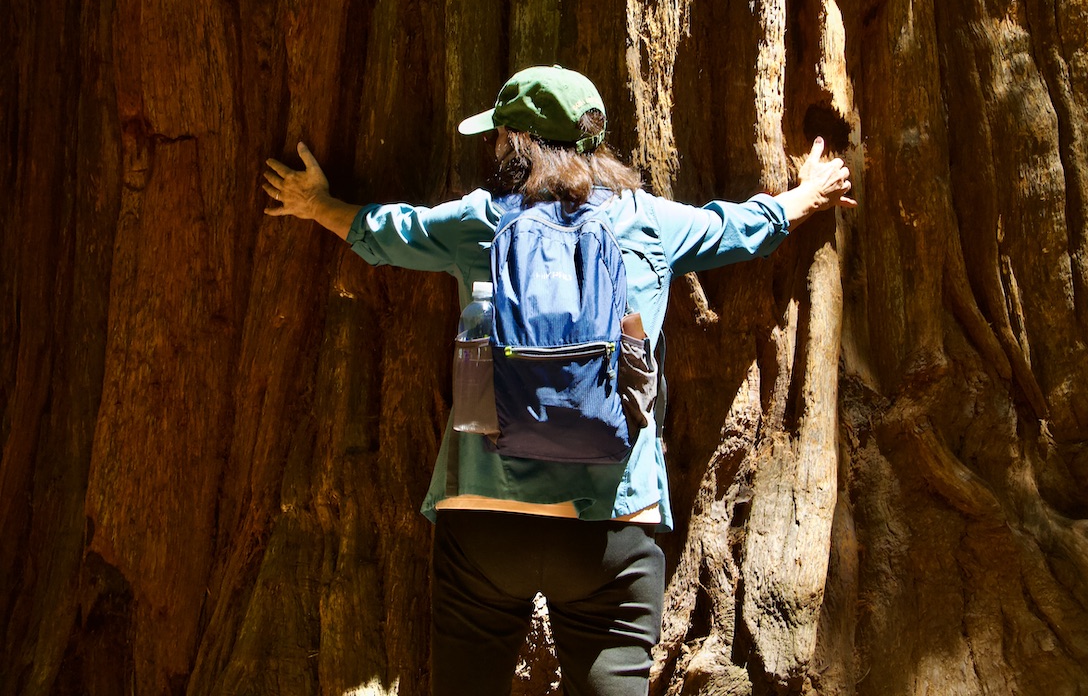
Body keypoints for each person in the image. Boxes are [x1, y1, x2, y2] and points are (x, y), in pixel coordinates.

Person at [262, 65, 855, 696]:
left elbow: (384, 233)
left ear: (513, 140)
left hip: (488, 520)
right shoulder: (646, 221)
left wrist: (315, 203)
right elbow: (740, 228)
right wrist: (808, 194)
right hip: (613, 527)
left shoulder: (482, 221)